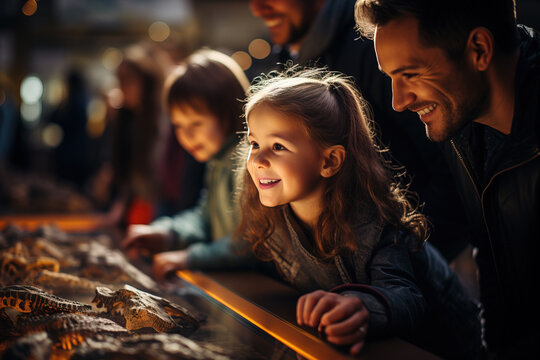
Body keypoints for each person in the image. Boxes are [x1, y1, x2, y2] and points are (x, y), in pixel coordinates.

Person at [236, 67, 483, 359]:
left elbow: (406, 296)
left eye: (278, 146)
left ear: (330, 161)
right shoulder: (276, 215)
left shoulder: (374, 223)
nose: (258, 160)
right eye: (254, 144)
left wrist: (361, 306)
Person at [354, 0, 540, 357]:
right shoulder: (461, 119)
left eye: (410, 74)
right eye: (390, 77)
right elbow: (495, 273)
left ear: (478, 50)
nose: (398, 101)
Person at [248, 0, 474, 277]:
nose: (258, 9)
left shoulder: (371, 43)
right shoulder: (286, 59)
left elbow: (450, 163)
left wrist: (408, 261)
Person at [122, 49, 255, 280]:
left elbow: (252, 241)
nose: (187, 136)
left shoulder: (249, 162)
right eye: (179, 126)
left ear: (229, 109)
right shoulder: (218, 161)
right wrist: (166, 233)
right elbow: (205, 219)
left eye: (196, 123)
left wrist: (191, 256)